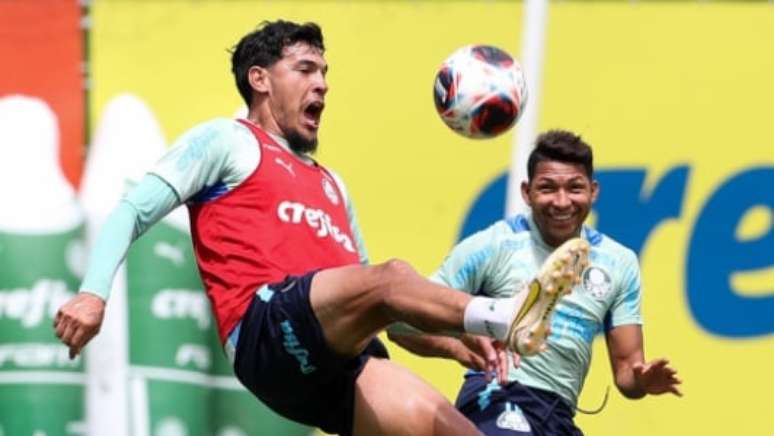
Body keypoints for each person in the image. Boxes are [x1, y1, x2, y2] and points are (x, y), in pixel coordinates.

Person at [53, 20, 588, 436]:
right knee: (391, 274)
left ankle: (498, 320)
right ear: (260, 80)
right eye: (306, 69)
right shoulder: (228, 141)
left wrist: (452, 343)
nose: (323, 85)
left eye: (325, 73)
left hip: (335, 365)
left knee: (453, 428)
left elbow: (389, 316)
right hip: (266, 331)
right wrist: (92, 294)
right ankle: (505, 315)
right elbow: (130, 209)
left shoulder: (332, 184)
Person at [388, 130, 682, 435]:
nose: (562, 201)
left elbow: (626, 373)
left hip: (559, 415)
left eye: (575, 188)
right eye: (547, 188)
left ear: (593, 192)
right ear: (527, 192)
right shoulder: (492, 246)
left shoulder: (620, 263)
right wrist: (460, 348)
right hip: (498, 397)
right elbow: (399, 325)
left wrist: (643, 381)